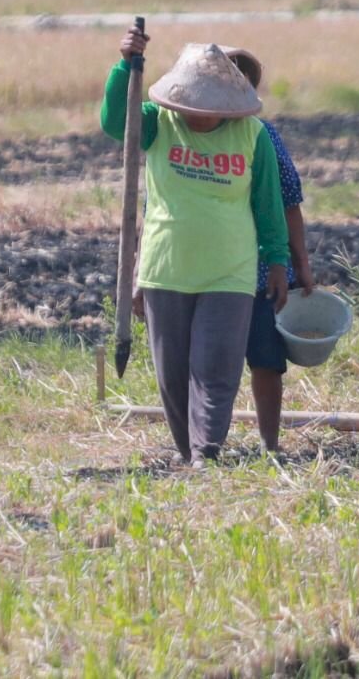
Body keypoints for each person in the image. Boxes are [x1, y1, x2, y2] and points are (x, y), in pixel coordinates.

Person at [102, 26, 290, 463]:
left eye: (208, 108)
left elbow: (268, 204)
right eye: (191, 105)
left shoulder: (251, 135)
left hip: (230, 271)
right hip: (166, 268)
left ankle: (207, 452)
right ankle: (187, 453)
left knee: (216, 369)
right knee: (173, 374)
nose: (198, 115)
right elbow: (114, 122)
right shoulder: (157, 122)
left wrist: (278, 259)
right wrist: (124, 64)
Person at [220, 46, 315, 453]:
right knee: (211, 362)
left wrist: (297, 264)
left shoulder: (262, 135)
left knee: (266, 358)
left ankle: (269, 443)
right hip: (208, 269)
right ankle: (206, 442)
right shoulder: (181, 134)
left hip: (259, 268)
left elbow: (288, 201)